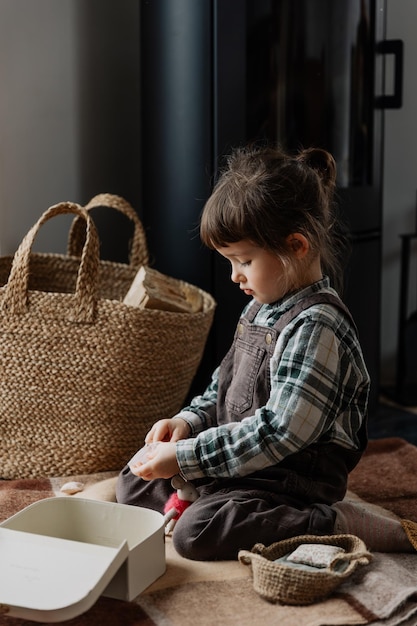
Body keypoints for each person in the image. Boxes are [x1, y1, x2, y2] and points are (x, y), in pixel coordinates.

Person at [116, 144, 373, 561]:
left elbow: (279, 432)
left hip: (290, 476)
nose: (235, 276)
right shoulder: (259, 307)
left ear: (296, 246)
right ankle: (201, 497)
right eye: (229, 261)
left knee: (196, 535)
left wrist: (187, 458)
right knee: (134, 478)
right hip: (243, 459)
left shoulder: (317, 327)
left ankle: (326, 523)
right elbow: (224, 386)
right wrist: (187, 422)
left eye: (245, 260)